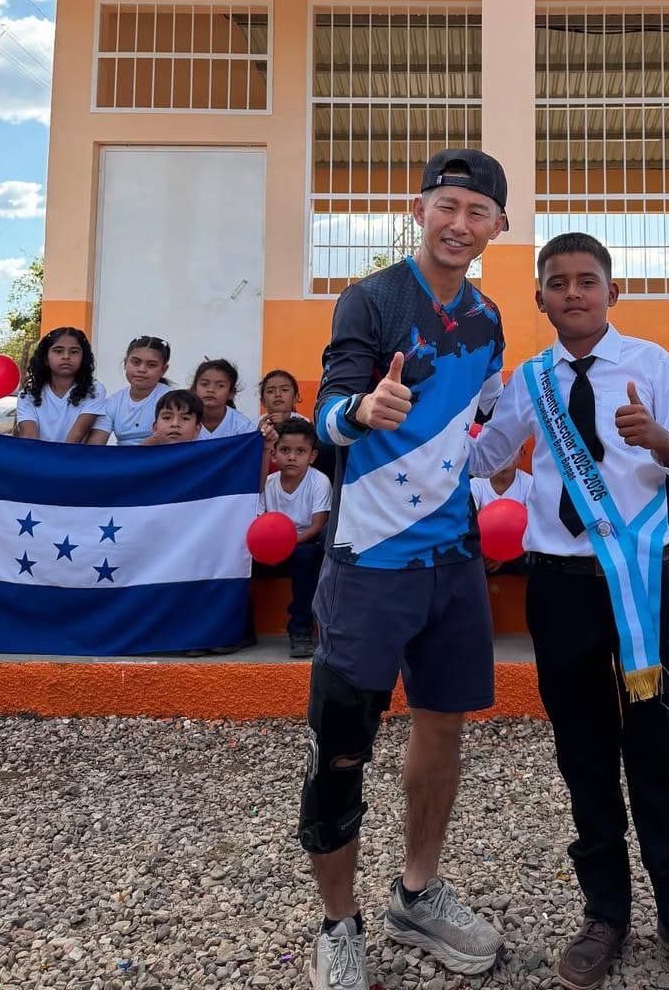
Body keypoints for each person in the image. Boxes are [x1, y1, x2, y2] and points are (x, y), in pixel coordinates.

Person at [469, 232, 669, 990]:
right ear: (539, 299)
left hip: (639, 587)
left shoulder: (650, 364)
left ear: (612, 292)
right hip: (559, 587)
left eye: (587, 280)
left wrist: (659, 438)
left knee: (658, 747)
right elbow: (481, 455)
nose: (573, 293)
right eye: (556, 283)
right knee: (583, 751)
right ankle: (604, 912)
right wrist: (429, 417)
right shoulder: (530, 379)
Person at [300, 149, 509, 990]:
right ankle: (337, 922)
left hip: (453, 558)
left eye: (478, 212)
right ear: (418, 210)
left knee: (444, 728)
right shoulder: (373, 298)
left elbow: (479, 423)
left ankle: (416, 894)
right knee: (342, 747)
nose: (460, 225)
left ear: (498, 226)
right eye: (447, 206)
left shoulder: (490, 317)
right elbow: (324, 413)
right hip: (369, 561)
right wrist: (362, 410)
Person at [258, 419, 332, 658]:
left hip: (301, 545)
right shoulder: (267, 484)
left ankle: (300, 630)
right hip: (270, 549)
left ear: (312, 456)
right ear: (274, 454)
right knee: (238, 558)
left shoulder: (319, 481)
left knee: (307, 556)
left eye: (300, 451)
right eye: (285, 450)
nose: (291, 457)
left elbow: (316, 527)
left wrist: (287, 544)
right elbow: (258, 526)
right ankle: (240, 628)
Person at [16, 327, 106, 443]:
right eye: (58, 351)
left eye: (74, 352)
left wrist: (58, 460)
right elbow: (29, 437)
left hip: (73, 458)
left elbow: (77, 434)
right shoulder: (27, 394)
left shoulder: (94, 390)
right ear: (45, 358)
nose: (66, 356)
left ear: (83, 357)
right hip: (38, 458)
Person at [88, 335, 172, 445]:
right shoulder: (112, 402)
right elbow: (95, 445)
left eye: (151, 365)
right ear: (125, 363)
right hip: (124, 460)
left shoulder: (172, 399)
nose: (142, 369)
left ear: (163, 370)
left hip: (162, 459)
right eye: (136, 362)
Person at [470, 453, 532, 573]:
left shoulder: (530, 484)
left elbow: (536, 526)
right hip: (483, 554)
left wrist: (504, 556)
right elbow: (470, 524)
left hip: (519, 554)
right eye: (503, 449)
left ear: (522, 455)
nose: (506, 454)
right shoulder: (476, 484)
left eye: (513, 449)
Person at [190, 358, 260, 438]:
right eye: (204, 384)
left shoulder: (241, 425)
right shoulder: (184, 419)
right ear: (194, 389)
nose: (211, 390)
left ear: (231, 393)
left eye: (220, 385)